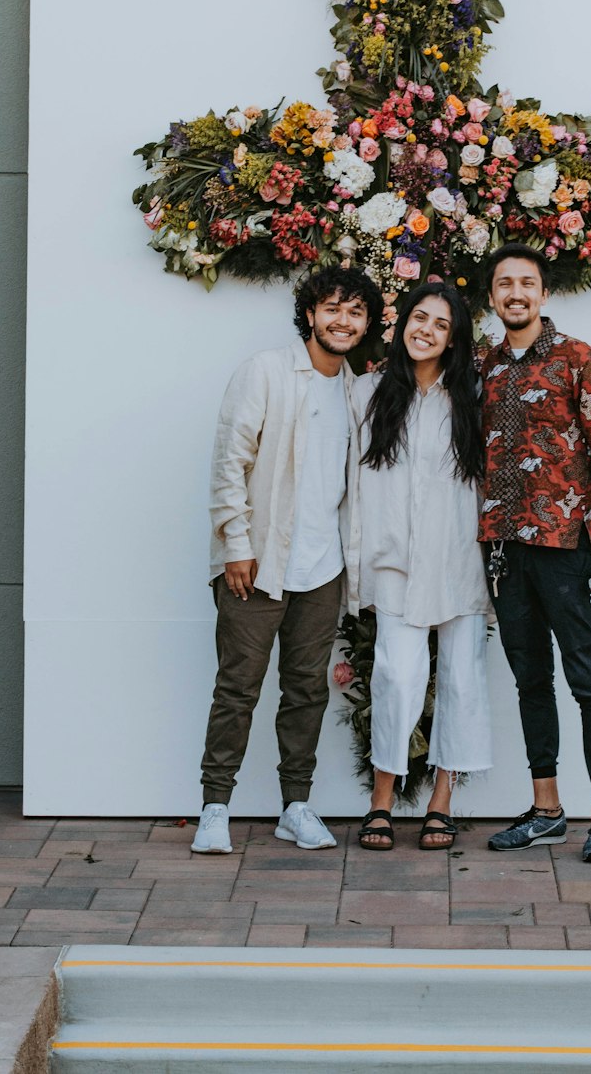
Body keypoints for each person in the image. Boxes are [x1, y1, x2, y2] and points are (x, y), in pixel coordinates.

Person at [192, 265, 383, 855]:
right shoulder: (267, 372)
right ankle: (215, 807)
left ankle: (294, 807)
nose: (343, 320)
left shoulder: (358, 391)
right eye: (333, 308)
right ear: (310, 313)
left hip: (323, 572)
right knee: (238, 688)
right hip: (260, 563)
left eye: (355, 312)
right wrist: (236, 545)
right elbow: (230, 462)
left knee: (306, 691)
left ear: (367, 323)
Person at [479, 244, 591, 863]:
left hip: (567, 548)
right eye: (503, 284)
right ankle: (546, 808)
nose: (515, 293)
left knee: (589, 679)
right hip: (504, 550)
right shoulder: (487, 367)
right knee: (529, 680)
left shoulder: (578, 358)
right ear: (492, 297)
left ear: (544, 294)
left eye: (527, 283)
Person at [350, 281, 491, 852]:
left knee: (461, 678)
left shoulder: (474, 398)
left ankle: (441, 803)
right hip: (395, 560)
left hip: (459, 557)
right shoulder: (367, 393)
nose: (425, 331)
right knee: (396, 677)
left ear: (454, 340)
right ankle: (381, 803)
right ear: (401, 322)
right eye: (418, 318)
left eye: (440, 324)